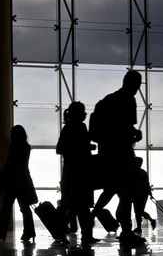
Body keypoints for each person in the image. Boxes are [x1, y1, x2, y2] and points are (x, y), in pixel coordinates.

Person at [93, 70, 145, 246]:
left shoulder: (107, 100)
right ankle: (126, 230)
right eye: (137, 85)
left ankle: (96, 222)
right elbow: (126, 127)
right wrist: (136, 134)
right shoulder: (128, 100)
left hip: (107, 155)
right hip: (122, 154)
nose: (138, 89)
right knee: (126, 194)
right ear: (133, 84)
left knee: (113, 190)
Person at [56, 102, 100, 244]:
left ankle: (62, 232)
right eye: (83, 111)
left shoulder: (68, 128)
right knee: (82, 207)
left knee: (74, 206)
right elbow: (72, 147)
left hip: (71, 171)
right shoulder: (80, 127)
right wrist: (85, 147)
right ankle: (86, 235)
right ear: (77, 113)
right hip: (81, 172)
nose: (85, 114)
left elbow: (60, 149)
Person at [0, 125, 38, 242]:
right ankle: (29, 232)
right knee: (25, 208)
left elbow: (10, 164)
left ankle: (0, 232)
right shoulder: (26, 147)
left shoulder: (13, 147)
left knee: (6, 209)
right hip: (23, 181)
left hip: (11, 182)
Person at [132, 157, 156, 234]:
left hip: (137, 194)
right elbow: (147, 184)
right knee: (139, 211)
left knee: (138, 211)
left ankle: (141, 226)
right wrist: (149, 193)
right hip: (142, 194)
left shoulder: (135, 172)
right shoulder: (143, 172)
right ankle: (141, 226)